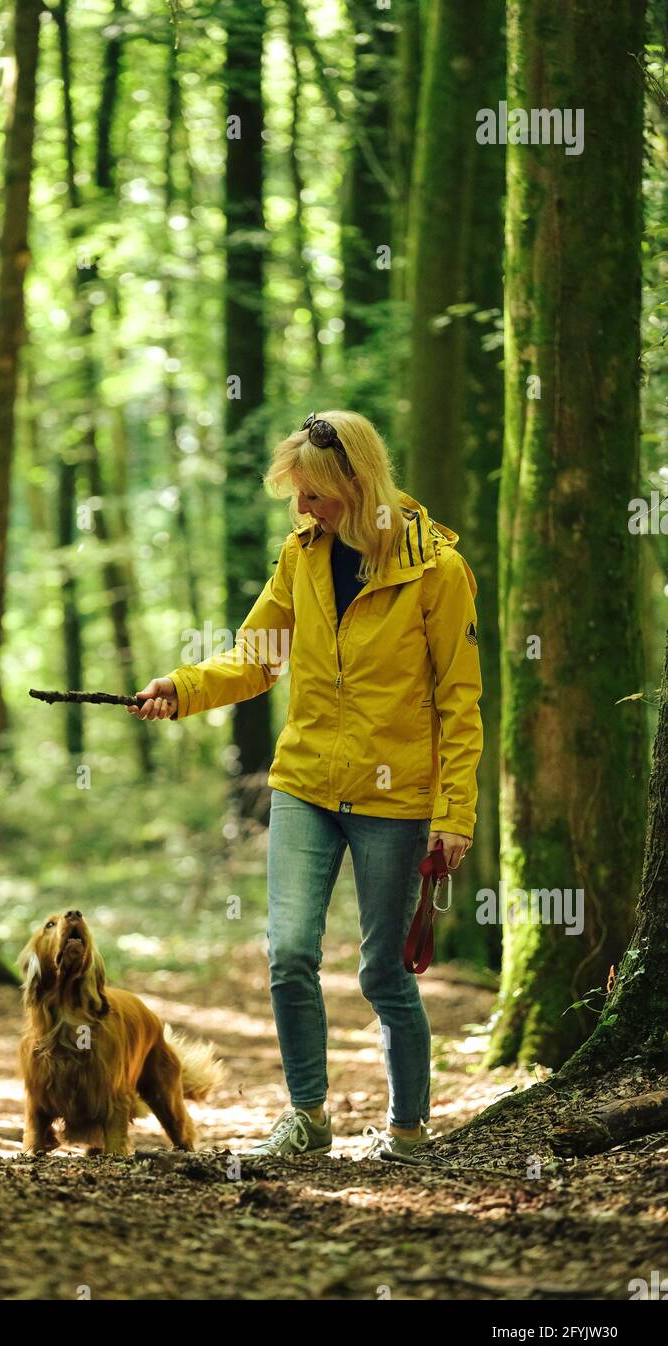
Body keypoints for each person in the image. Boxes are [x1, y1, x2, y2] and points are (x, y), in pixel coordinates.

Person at [129, 410, 483, 1162]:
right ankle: (307, 1117)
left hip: (395, 799)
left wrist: (455, 814)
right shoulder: (302, 557)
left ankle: (411, 1131)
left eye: (313, 495)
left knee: (385, 971)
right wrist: (181, 688)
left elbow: (460, 698)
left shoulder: (438, 572)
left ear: (356, 484)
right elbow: (255, 659)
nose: (301, 510)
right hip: (307, 784)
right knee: (289, 951)